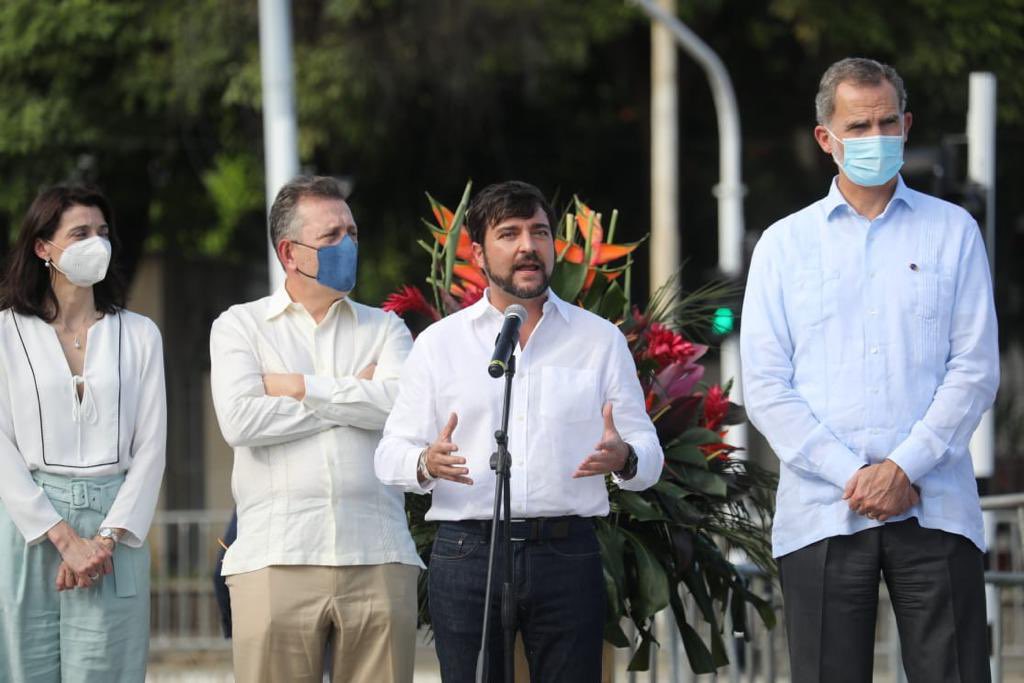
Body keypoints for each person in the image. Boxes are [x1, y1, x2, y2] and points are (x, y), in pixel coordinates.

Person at [741, 57, 998, 682]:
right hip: (824, 509)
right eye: (858, 127)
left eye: (887, 123)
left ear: (907, 126)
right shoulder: (783, 245)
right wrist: (854, 476)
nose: (875, 139)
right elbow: (767, 386)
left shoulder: (953, 231)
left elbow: (974, 368)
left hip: (933, 504)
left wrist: (902, 468)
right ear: (826, 139)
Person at [375, 180, 663, 682]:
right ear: (479, 254)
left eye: (540, 232)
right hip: (468, 556)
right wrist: (425, 462)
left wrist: (626, 458)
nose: (529, 246)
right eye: (509, 233)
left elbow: (648, 456)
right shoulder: (440, 344)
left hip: (566, 552)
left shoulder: (599, 340)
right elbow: (388, 455)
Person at [210, 175, 422, 683]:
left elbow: (402, 408)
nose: (348, 244)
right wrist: (352, 391)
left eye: (352, 232)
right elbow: (242, 420)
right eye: (331, 236)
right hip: (274, 558)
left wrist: (297, 386)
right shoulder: (240, 326)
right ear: (290, 252)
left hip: (378, 553)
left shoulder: (387, 327)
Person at [0, 184, 166, 682]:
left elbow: (152, 447)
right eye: (80, 233)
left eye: (103, 232)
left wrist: (103, 542)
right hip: (29, 525)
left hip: (114, 529)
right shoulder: (6, 332)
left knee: (108, 670)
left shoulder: (139, 334)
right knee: (22, 668)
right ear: (43, 247)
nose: (97, 242)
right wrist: (62, 537)